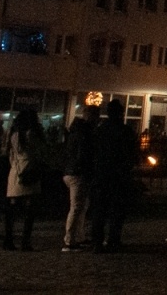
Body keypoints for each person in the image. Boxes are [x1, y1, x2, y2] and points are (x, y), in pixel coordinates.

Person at [90, 98, 137, 251]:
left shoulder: (100, 130)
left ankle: (97, 241)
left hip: (102, 174)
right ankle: (113, 240)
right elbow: (132, 154)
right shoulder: (125, 131)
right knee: (116, 210)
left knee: (100, 210)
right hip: (118, 175)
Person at [3, 108, 44, 251]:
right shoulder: (31, 134)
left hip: (16, 171)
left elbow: (9, 154)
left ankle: (8, 239)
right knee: (30, 208)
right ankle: (25, 242)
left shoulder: (14, 135)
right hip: (29, 169)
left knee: (12, 208)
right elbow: (38, 152)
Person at [62, 103, 100, 251]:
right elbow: (83, 154)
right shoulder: (85, 133)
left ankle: (78, 237)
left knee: (81, 206)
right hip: (78, 173)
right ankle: (69, 240)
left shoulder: (76, 130)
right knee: (77, 207)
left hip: (71, 171)